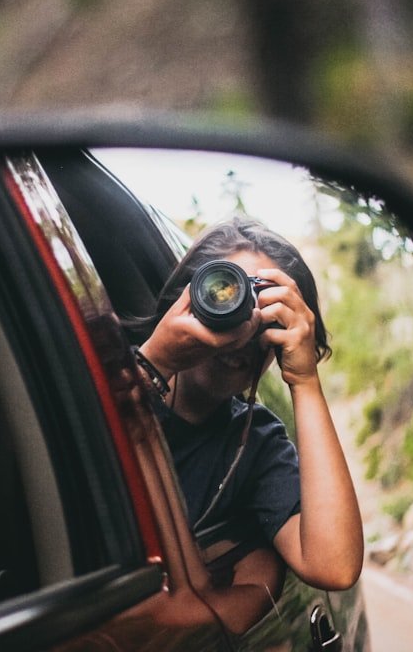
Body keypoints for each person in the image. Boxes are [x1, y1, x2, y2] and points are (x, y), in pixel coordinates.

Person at [130, 216, 363, 592]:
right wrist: (156, 360)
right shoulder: (104, 373)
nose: (243, 333)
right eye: (224, 294)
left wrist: (304, 381)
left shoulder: (255, 443)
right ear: (183, 299)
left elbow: (334, 566)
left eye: (267, 316)